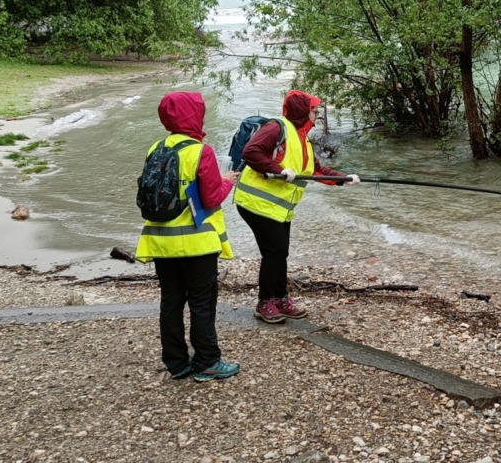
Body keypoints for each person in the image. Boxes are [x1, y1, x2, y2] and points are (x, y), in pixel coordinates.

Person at [135, 91, 241, 382]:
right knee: (201, 302)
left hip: (160, 242)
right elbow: (211, 199)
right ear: (195, 115)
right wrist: (227, 182)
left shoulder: (155, 148)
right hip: (196, 244)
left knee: (170, 302)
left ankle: (177, 362)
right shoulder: (199, 151)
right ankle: (208, 360)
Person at [235, 89, 360, 324]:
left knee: (280, 252)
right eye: (314, 111)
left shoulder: (302, 138)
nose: (316, 115)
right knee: (275, 251)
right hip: (255, 203)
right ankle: (264, 303)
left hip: (278, 208)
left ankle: (281, 299)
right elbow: (251, 152)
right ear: (303, 111)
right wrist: (277, 169)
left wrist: (345, 178)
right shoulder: (276, 128)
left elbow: (315, 171)